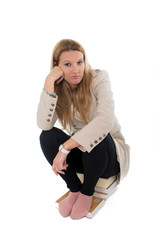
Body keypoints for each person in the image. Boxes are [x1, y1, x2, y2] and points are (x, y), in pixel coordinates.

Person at [37, 39, 130, 220]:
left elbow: (105, 121)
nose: (76, 69)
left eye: (80, 62)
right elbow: (44, 124)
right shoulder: (59, 85)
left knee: (97, 133)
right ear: (57, 67)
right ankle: (74, 189)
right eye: (67, 64)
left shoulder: (99, 78)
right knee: (47, 136)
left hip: (107, 156)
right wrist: (49, 82)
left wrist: (65, 149)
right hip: (83, 155)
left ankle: (87, 193)